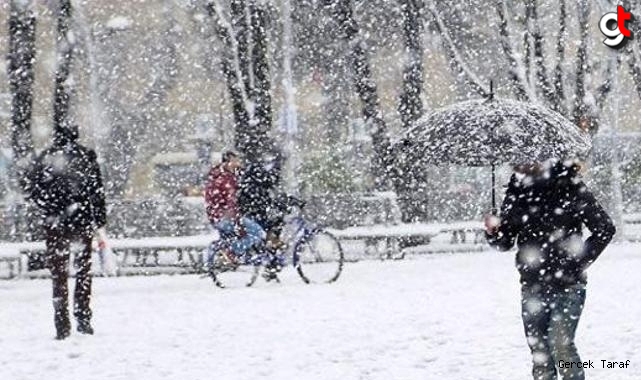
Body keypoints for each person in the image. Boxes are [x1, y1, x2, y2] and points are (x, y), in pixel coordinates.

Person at [484, 160, 616, 380]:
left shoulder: (569, 185)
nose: (518, 163)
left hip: (569, 285)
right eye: (516, 158)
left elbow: (604, 229)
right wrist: (494, 231)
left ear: (542, 156)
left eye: (524, 157)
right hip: (532, 285)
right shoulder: (517, 191)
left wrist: (575, 264)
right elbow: (505, 242)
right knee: (540, 355)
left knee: (560, 346)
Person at [27, 125, 107, 340]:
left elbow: (33, 190)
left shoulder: (47, 158)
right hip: (81, 221)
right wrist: (98, 219)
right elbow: (96, 191)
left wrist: (50, 209)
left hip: (56, 224)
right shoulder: (86, 157)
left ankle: (61, 322)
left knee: (59, 274)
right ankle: (83, 317)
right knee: (83, 272)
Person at [204, 151, 265, 266]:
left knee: (243, 232)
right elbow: (230, 203)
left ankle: (227, 252)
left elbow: (215, 200)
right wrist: (237, 221)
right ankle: (232, 251)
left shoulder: (217, 176)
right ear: (227, 162)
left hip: (216, 217)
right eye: (235, 161)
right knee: (258, 233)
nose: (238, 164)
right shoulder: (226, 179)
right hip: (225, 217)